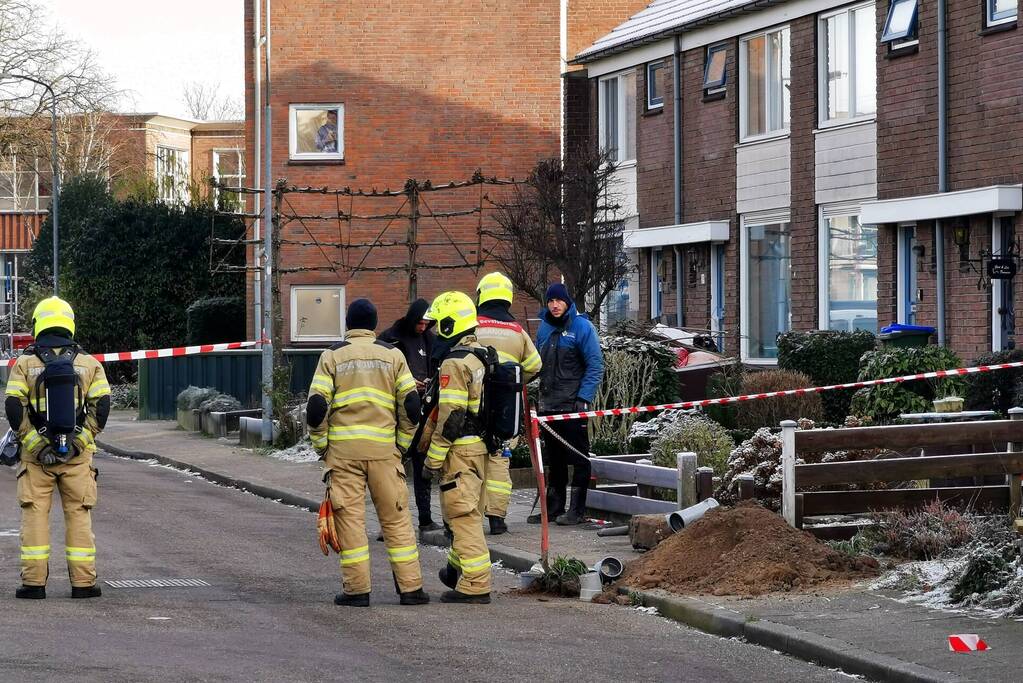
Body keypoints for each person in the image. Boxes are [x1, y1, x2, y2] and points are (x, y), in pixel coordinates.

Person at [306, 298, 429, 607]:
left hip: (344, 455)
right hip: (385, 453)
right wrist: (401, 445)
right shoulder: (393, 355)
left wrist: (323, 448)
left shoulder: (331, 357)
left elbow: (317, 409)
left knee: (350, 522)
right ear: (374, 325)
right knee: (397, 520)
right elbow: (411, 407)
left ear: (348, 324)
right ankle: (411, 589)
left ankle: (357, 590)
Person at [6, 297, 111, 599]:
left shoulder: (25, 364)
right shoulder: (89, 364)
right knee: (79, 515)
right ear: (69, 323)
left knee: (34, 516)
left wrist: (37, 446)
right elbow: (102, 408)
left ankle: (33, 585)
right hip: (77, 459)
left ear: (38, 323)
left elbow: (13, 407)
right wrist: (79, 442)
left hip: (36, 458)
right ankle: (83, 584)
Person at [419, 291, 491, 604]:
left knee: (462, 516)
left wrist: (432, 461)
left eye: (439, 325)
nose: (435, 332)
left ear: (451, 324)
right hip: (479, 447)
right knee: (465, 514)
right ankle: (456, 569)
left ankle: (475, 585)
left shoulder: (454, 362)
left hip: (459, 450)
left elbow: (452, 417)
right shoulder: (481, 354)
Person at [473, 272, 541, 535]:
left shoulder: (472, 325)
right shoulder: (517, 331)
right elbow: (535, 364)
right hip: (506, 408)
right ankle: (497, 519)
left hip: (475, 404)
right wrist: (515, 381)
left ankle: (470, 518)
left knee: (473, 461)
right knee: (500, 460)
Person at [532, 283, 604, 526]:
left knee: (579, 457)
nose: (554, 305)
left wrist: (584, 398)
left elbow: (595, 365)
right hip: (549, 405)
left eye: (559, 301)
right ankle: (554, 508)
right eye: (550, 301)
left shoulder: (582, 327)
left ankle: (576, 510)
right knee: (555, 459)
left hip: (573, 406)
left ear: (567, 302)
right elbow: (536, 363)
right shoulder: (544, 328)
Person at [379, 298, 441, 532]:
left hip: (423, 410)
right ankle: (390, 524)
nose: (423, 327)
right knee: (392, 469)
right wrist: (405, 383)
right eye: (420, 323)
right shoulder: (390, 338)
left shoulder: (430, 340)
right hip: (397, 412)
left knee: (422, 463)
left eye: (427, 324)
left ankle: (425, 518)